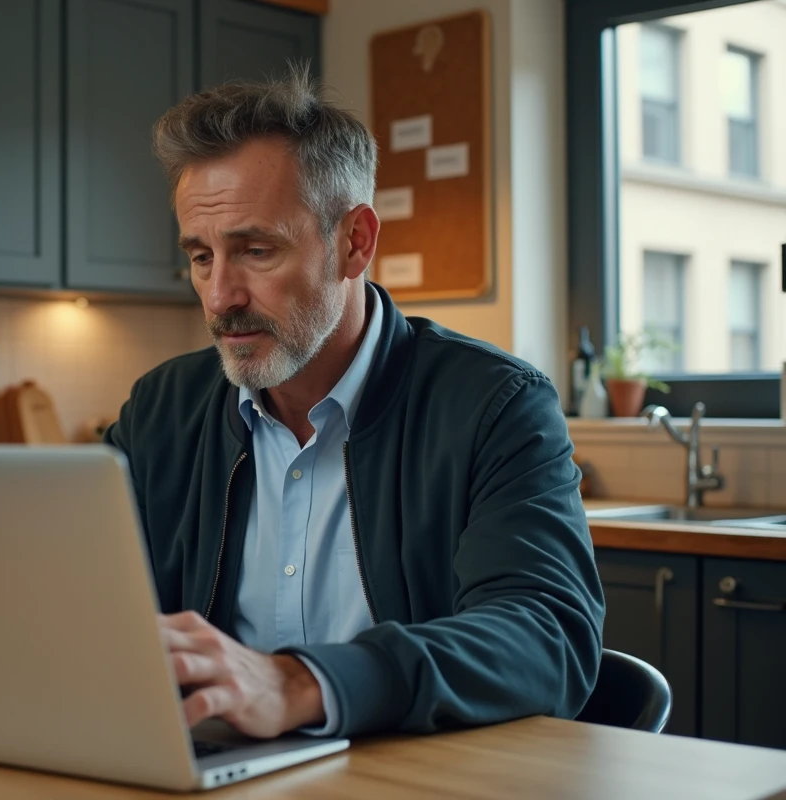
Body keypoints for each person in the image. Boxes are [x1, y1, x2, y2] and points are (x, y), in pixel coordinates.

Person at [103, 67, 605, 740]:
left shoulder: (495, 406)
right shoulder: (162, 408)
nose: (220, 296)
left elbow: (547, 638)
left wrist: (300, 684)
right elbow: (78, 606)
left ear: (355, 242)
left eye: (255, 250)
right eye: (200, 257)